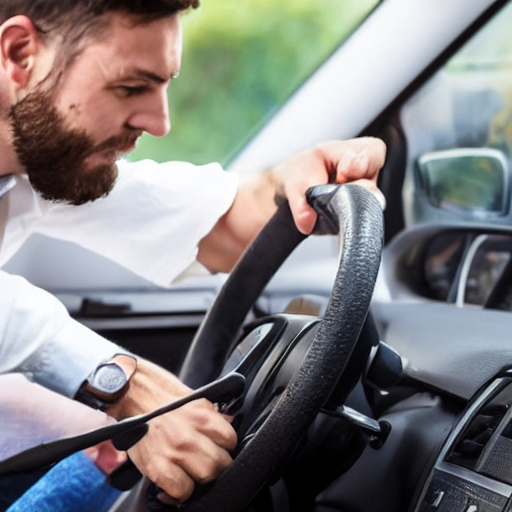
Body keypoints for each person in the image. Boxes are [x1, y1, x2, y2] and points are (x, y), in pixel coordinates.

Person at [0, 0, 387, 507]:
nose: (159, 122)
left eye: (163, 85)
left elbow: (218, 227)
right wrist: (123, 384)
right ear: (19, 52)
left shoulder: (34, 169)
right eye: (130, 87)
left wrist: (299, 182)